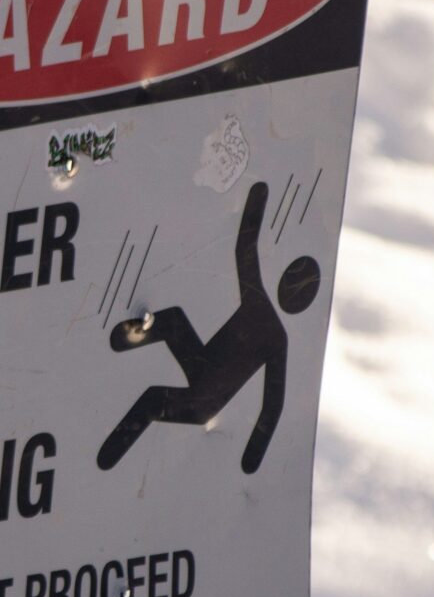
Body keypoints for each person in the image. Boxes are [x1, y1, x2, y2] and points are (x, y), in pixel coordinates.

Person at [97, 178, 320, 476]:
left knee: (153, 399)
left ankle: (105, 460)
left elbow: (272, 403)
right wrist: (257, 197)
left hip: (202, 402)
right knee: (174, 320)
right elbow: (273, 406)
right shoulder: (272, 326)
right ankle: (126, 335)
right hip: (201, 365)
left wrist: (251, 461)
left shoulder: (270, 323)